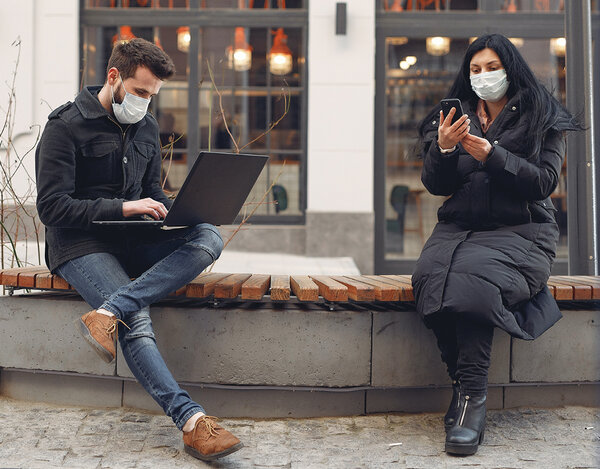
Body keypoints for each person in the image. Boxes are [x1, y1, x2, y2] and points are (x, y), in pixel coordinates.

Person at [35, 38, 242, 462]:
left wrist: (171, 208)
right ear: (115, 77)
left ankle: (107, 311)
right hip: (80, 244)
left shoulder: (145, 126)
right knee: (137, 317)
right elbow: (51, 206)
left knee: (209, 236)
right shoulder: (65, 126)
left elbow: (148, 190)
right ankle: (191, 421)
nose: (146, 103)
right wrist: (124, 206)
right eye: (142, 92)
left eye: (153, 96)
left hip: (133, 238)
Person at [412, 34, 582, 456]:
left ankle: (473, 399)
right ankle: (461, 387)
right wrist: (445, 149)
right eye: (475, 69)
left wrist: (493, 156)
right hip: (457, 228)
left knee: (473, 284)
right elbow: (436, 184)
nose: (483, 77)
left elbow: (545, 182)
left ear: (510, 68)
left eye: (491, 68)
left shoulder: (542, 115)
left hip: (522, 232)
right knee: (428, 279)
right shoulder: (455, 114)